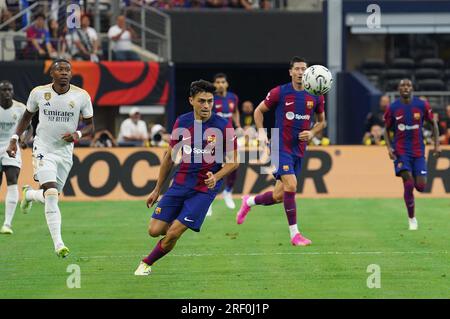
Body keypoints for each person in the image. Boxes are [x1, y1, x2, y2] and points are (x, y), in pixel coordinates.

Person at [134, 80, 238, 275]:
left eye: (209, 101)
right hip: (180, 183)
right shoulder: (182, 122)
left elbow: (234, 162)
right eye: (201, 101)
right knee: (155, 230)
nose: (206, 105)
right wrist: (157, 189)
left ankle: (146, 263)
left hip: (204, 189)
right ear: (191, 100)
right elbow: (169, 158)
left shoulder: (224, 126)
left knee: (174, 232)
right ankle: (176, 228)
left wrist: (216, 176)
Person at [7, 59, 95, 257]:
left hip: (64, 153)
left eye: (67, 70)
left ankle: (29, 195)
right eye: (60, 69)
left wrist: (78, 135)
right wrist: (14, 139)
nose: (64, 72)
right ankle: (59, 244)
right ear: (52, 74)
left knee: (49, 196)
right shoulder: (39, 92)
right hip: (43, 149)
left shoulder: (81, 96)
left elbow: (91, 127)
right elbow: (26, 118)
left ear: (71, 74)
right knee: (52, 194)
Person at [236, 56, 326, 246]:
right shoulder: (280, 92)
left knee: (279, 196)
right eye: (298, 69)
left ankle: (248, 201)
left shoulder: (316, 95)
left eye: (304, 69)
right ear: (291, 72)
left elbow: (322, 122)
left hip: (299, 149)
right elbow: (258, 111)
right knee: (291, 185)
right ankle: (295, 235)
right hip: (279, 145)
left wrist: (311, 132)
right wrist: (261, 134)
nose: (301, 72)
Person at [383, 79, 440, 231]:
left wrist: (436, 145)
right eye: (402, 85)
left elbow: (433, 124)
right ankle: (412, 219)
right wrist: (389, 148)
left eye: (408, 85)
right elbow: (386, 130)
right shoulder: (393, 108)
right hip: (400, 152)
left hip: (418, 152)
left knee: (420, 186)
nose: (405, 88)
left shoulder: (421, 105)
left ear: (412, 88)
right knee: (408, 182)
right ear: (398, 89)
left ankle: (414, 181)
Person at [0, 81, 33, 234]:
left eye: (9, 90)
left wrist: (24, 140)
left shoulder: (20, 108)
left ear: (12, 92)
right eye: (4, 90)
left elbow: (30, 127)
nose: (7, 93)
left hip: (11, 147)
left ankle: (7, 224)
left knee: (12, 181)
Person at [211, 73, 242, 211]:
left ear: (227, 84)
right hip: (214, 137)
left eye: (222, 82)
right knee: (211, 167)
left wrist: (238, 125)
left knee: (234, 164)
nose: (220, 84)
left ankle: (228, 192)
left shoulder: (233, 97)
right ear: (214, 84)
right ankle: (208, 199)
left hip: (229, 135)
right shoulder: (210, 98)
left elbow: (235, 112)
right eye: (217, 82)